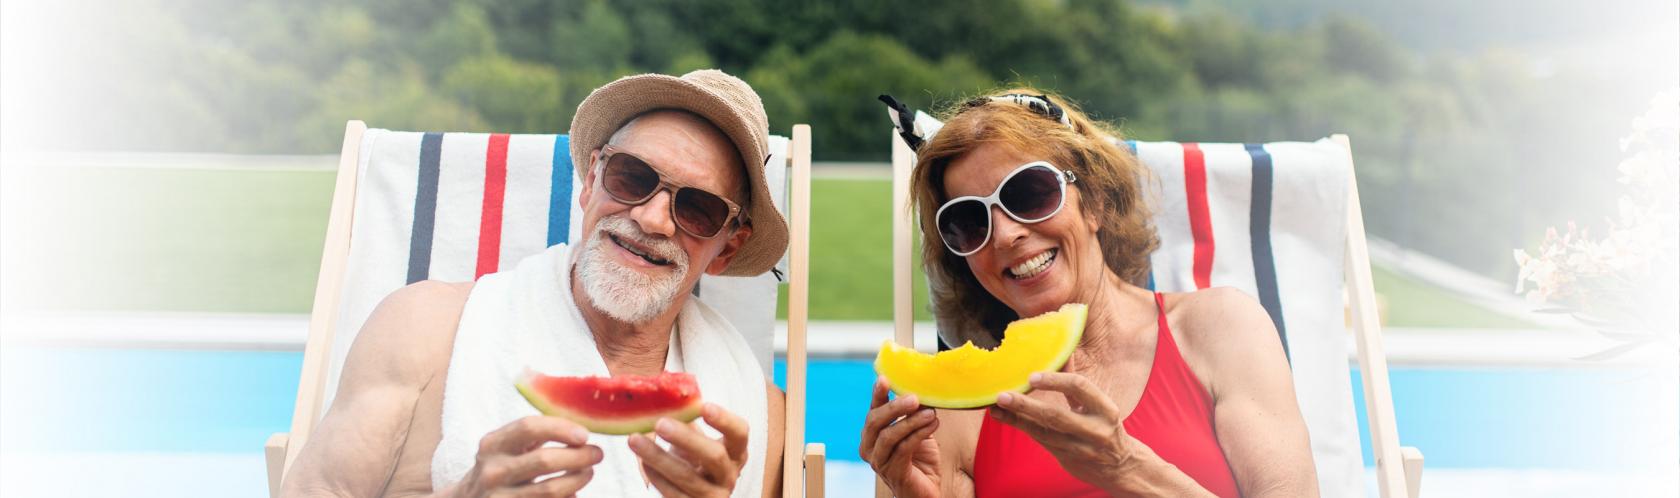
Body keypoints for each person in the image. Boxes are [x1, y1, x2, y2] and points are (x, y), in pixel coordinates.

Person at [280, 70, 787, 498]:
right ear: (591, 181)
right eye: (632, 177)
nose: (654, 219)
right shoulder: (422, 330)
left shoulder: (759, 417)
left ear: (728, 248)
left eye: (698, 208)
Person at [862, 90, 1317, 497]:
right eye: (969, 222)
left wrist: (1127, 468)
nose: (1004, 235)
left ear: (1094, 201)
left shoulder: (1220, 329)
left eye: (1029, 193)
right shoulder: (952, 412)